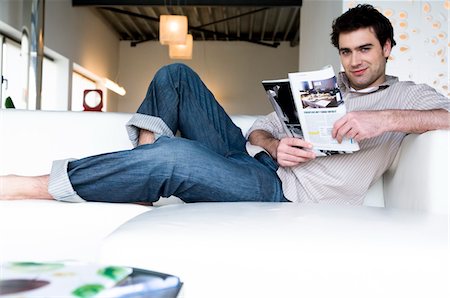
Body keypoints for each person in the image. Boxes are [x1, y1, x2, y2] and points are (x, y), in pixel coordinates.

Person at [0, 4, 449, 205]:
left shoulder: (409, 96)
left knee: (172, 155)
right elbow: (257, 127)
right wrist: (274, 146)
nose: (354, 61)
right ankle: (140, 175)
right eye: (347, 52)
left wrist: (384, 118)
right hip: (250, 158)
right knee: (175, 74)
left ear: (387, 47)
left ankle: (34, 185)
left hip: (279, 193)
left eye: (365, 50)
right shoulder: (325, 87)